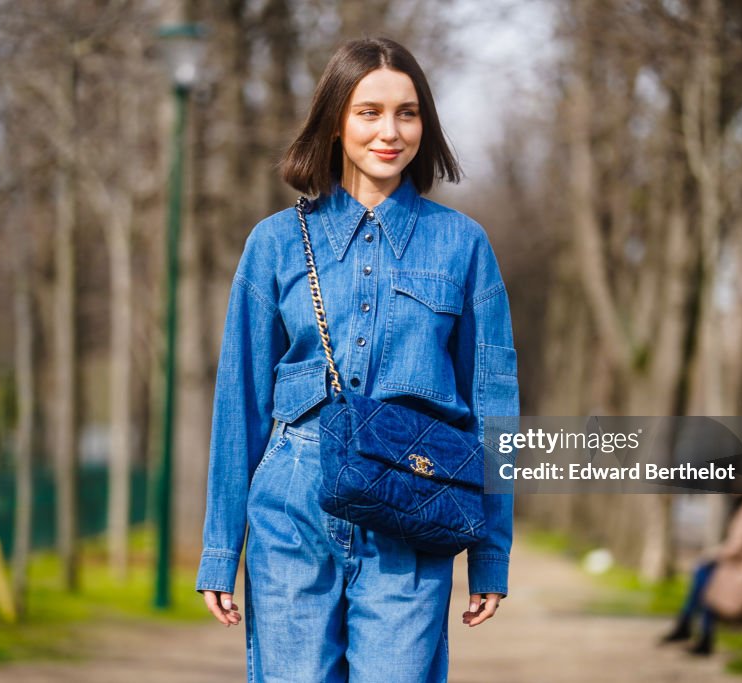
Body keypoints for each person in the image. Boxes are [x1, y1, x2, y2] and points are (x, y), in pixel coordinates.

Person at [195, 38, 519, 682]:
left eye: (407, 113)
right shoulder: (276, 244)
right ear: (335, 119)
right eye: (369, 112)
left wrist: (489, 552)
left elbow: (494, 408)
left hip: (414, 511)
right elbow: (240, 403)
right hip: (293, 508)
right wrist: (219, 548)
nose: (389, 132)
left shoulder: (463, 246)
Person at [660, 493, 742, 655]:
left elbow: (738, 544)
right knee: (707, 582)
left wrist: (712, 555)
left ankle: (691, 627)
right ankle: (694, 629)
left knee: (705, 577)